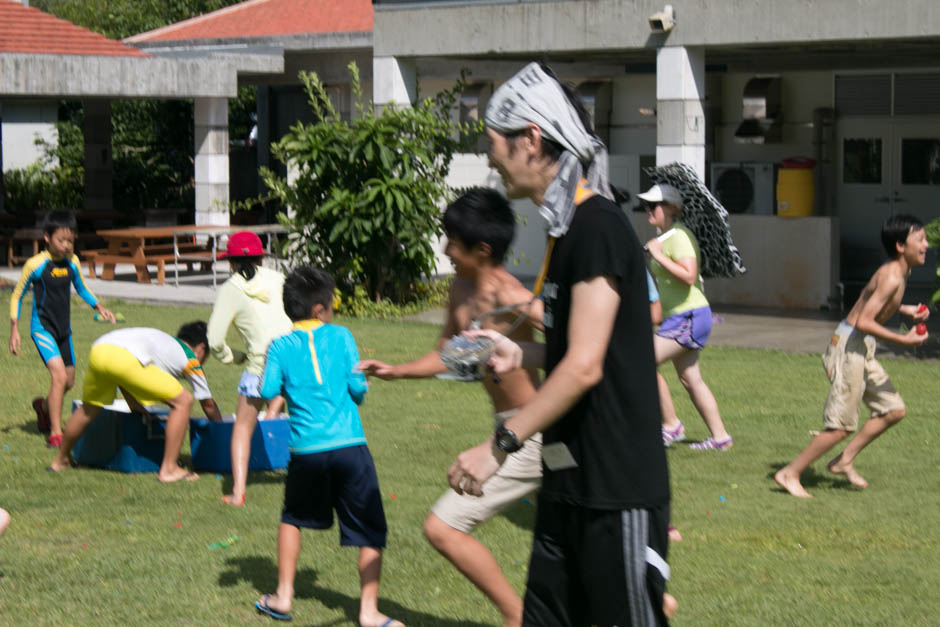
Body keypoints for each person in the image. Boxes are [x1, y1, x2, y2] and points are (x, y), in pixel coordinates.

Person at [448, 62, 673, 625]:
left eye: (495, 143)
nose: (491, 158)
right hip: (566, 478)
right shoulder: (566, 228)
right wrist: (523, 352)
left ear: (531, 139)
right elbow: (577, 347)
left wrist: (498, 445)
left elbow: (587, 367)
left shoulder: (597, 227)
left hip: (613, 489)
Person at [358, 188, 542, 627]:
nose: (445, 249)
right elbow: (448, 350)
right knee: (577, 543)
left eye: (452, 242)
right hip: (508, 427)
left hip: (534, 430)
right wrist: (397, 370)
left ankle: (518, 619)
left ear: (482, 249)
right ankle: (647, 605)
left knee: (442, 527)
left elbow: (580, 341)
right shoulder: (460, 290)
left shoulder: (516, 298)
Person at [254, 265, 402, 627]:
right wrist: (359, 386)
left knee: (293, 518)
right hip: (350, 446)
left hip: (305, 451)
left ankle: (284, 596)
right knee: (369, 527)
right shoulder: (342, 336)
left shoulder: (280, 346)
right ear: (320, 309)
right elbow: (356, 389)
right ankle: (369, 612)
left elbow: (268, 391)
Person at [775, 214, 929, 498]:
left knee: (893, 409)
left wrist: (904, 309)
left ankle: (843, 460)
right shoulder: (892, 274)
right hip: (848, 347)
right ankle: (789, 473)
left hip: (861, 346)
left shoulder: (900, 271)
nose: (926, 245)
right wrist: (903, 340)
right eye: (919, 239)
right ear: (900, 245)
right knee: (840, 426)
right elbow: (864, 321)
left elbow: (869, 298)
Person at [48, 322, 224, 483]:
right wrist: (223, 432)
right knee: (184, 401)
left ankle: (60, 460)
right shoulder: (190, 359)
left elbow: (127, 378)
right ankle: (169, 469)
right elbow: (207, 404)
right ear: (201, 348)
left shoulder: (165, 342)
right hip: (124, 358)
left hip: (100, 349)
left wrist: (136, 406)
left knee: (89, 408)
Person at [9, 210, 115, 448]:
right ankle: (56, 433)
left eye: (71, 240)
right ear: (47, 237)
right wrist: (14, 328)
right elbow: (16, 295)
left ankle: (43, 407)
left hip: (63, 331)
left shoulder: (73, 262)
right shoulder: (35, 265)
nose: (67, 245)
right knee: (58, 377)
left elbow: (81, 288)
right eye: (61, 240)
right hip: (42, 329)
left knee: (67, 382)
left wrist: (98, 305)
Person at [639, 183, 733, 451]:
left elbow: (689, 275)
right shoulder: (667, 236)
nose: (648, 210)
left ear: (670, 208)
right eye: (646, 205)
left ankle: (671, 426)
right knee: (690, 378)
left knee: (642, 359)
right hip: (679, 317)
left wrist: (657, 254)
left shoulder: (679, 237)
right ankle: (720, 437)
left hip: (688, 316)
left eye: (653, 205)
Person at [207, 231, 292, 507]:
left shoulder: (231, 288)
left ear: (230, 261)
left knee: (243, 428)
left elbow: (214, 340)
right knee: (307, 423)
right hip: (295, 359)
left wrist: (233, 356)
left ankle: (238, 493)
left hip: (260, 365)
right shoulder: (279, 279)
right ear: (260, 257)